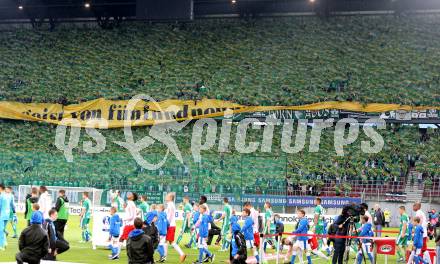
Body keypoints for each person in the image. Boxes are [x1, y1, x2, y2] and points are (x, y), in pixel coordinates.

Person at [165, 192, 186, 262]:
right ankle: (164, 257)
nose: (166, 197)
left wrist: (167, 224)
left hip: (170, 225)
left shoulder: (170, 205)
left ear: (170, 198)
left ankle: (164, 257)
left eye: (167, 196)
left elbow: (170, 215)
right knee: (168, 241)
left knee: (167, 241)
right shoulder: (170, 204)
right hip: (171, 225)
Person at [0, 184, 13, 250]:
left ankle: (2, 245)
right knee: (2, 229)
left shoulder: (2, 196)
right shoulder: (9, 196)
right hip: (7, 214)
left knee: (1, 230)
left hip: (2, 214)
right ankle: (4, 242)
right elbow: (11, 205)